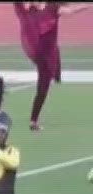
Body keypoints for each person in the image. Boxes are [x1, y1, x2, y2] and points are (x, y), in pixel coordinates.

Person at [18, 3, 91, 131]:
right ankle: (33, 121)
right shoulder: (32, 11)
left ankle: (33, 120)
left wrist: (85, 6)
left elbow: (70, 11)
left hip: (50, 52)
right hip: (40, 53)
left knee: (45, 85)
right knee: (42, 87)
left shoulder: (52, 8)